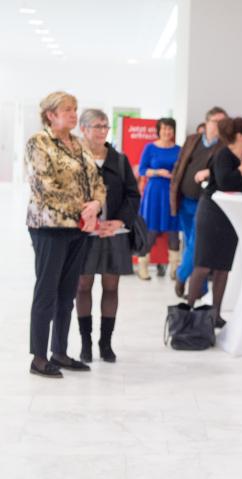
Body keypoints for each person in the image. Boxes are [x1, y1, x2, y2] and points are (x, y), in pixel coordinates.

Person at [25, 91, 106, 378]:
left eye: (75, 109)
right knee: (46, 291)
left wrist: (96, 204)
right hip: (49, 226)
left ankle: (60, 351)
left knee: (67, 292)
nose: (74, 114)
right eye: (68, 110)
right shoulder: (39, 143)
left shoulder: (80, 144)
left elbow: (96, 180)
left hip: (78, 228)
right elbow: (44, 186)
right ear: (51, 114)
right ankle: (38, 357)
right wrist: (82, 209)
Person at [75, 109, 141, 363]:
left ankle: (106, 343)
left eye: (105, 126)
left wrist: (119, 221)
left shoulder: (120, 160)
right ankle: (85, 342)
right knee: (83, 285)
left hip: (115, 233)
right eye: (96, 126)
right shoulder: (75, 160)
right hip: (85, 233)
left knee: (111, 286)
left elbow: (133, 196)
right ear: (83, 129)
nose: (102, 131)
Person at [185, 117, 242, 326]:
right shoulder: (224, 154)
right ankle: (187, 314)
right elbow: (226, 183)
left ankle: (215, 314)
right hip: (212, 213)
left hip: (231, 216)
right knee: (203, 265)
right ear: (240, 135)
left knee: (223, 268)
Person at [170, 106, 228, 297]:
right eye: (216, 122)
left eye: (223, 122)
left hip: (205, 203)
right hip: (185, 200)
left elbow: (224, 171)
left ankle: (181, 275)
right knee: (189, 243)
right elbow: (180, 165)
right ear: (206, 123)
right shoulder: (193, 140)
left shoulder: (225, 145)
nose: (219, 126)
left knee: (196, 244)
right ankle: (200, 288)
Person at [137, 117, 181, 280]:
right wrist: (158, 172)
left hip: (172, 193)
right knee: (151, 230)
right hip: (154, 193)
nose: (166, 132)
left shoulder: (179, 149)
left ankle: (174, 270)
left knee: (173, 231)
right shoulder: (150, 148)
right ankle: (143, 267)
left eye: (169, 128)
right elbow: (142, 170)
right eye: (163, 128)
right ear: (158, 130)